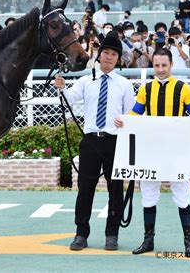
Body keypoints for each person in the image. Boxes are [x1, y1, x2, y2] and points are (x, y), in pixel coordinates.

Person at [114, 48, 190, 258]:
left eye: (164, 65)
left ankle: (189, 242)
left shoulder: (183, 88)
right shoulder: (146, 89)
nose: (160, 69)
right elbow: (135, 114)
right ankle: (148, 240)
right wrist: (123, 120)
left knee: (183, 196)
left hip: (176, 153)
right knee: (148, 197)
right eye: (156, 65)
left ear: (171, 65)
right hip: (152, 153)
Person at [54, 36, 135, 251]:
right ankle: (81, 233)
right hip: (90, 140)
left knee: (115, 189)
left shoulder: (125, 85)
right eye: (106, 52)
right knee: (85, 189)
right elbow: (68, 99)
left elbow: (131, 114)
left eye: (114, 54)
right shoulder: (85, 80)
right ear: (100, 55)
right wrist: (61, 87)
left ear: (118, 59)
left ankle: (112, 234)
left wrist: (124, 122)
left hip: (115, 141)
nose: (109, 57)